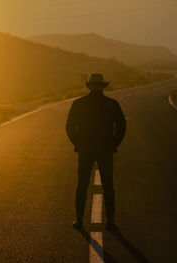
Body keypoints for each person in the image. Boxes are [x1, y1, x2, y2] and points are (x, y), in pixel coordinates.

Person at [66, 73, 126, 231]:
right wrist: (114, 143)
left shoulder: (79, 103)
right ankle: (110, 220)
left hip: (85, 150)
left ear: (89, 86)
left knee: (82, 184)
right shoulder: (112, 104)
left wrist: (78, 143)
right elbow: (121, 126)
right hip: (105, 150)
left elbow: (70, 127)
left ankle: (79, 219)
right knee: (108, 185)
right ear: (102, 87)